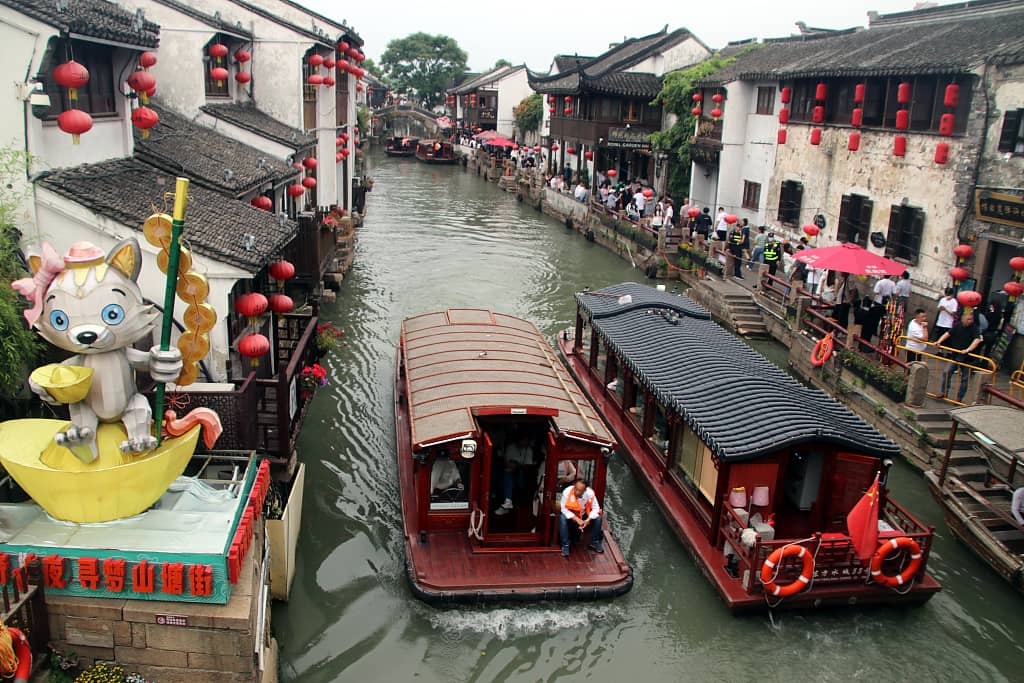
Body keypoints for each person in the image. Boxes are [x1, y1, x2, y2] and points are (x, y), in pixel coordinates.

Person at [936, 311, 983, 403]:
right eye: (968, 319)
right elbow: (948, 333)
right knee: (947, 372)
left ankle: (959, 397)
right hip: (956, 355)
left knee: (965, 379)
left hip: (969, 359)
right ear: (963, 319)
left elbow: (976, 340)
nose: (970, 321)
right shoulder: (958, 325)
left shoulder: (974, 328)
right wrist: (939, 341)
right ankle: (943, 391)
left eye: (971, 319)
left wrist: (968, 350)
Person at [559, 478, 603, 557]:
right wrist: (577, 519)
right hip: (572, 515)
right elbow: (564, 509)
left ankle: (594, 542)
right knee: (562, 518)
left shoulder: (590, 493)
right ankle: (565, 545)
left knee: (598, 518)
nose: (576, 492)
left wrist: (587, 520)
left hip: (584, 514)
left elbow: (596, 508)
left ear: (584, 490)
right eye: (575, 488)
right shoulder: (567, 492)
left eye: (579, 490)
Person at [495, 434, 534, 515]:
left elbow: (528, 467)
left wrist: (517, 465)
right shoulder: (511, 448)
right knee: (507, 473)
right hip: (510, 472)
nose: (525, 442)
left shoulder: (528, 450)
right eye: (523, 440)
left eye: (526, 440)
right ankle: (508, 501)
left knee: (518, 473)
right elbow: (506, 463)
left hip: (523, 475)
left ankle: (509, 501)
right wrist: (512, 465)